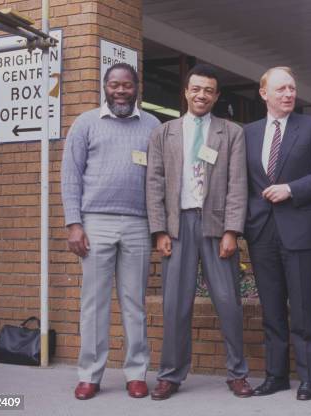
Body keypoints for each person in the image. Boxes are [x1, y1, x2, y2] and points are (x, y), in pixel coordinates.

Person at [146, 64, 251, 400]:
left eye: (208, 90)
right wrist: (159, 230)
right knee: (175, 304)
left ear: (216, 95)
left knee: (228, 302)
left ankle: (237, 374)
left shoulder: (231, 132)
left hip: (216, 226)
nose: (202, 95)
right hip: (177, 226)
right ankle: (170, 375)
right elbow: (155, 183)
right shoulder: (165, 133)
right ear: (186, 92)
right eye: (196, 89)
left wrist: (232, 231)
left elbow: (238, 184)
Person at [61, 63, 160, 400]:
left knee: (134, 303)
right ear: (105, 86)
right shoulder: (86, 123)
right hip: (95, 223)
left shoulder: (152, 125)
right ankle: (90, 374)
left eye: (127, 85)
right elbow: (70, 176)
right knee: (94, 302)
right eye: (115, 85)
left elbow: (159, 179)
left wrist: (158, 226)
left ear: (137, 88)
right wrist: (74, 223)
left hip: (138, 223)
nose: (121, 91)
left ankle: (136, 373)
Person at [244, 67, 311, 401]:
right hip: (261, 233)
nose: (288, 94)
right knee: (271, 310)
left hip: (299, 231)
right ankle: (276, 376)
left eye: (292, 88)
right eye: (281, 89)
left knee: (303, 310)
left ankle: (309, 379)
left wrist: (291, 189)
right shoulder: (249, 133)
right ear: (263, 93)